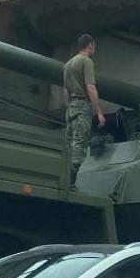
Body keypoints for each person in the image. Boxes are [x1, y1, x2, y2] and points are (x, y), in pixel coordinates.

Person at [62, 34, 105, 186]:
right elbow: (91, 87)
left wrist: (70, 107)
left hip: (71, 108)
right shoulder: (86, 62)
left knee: (68, 145)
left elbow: (65, 92)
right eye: (94, 46)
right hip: (82, 107)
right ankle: (69, 181)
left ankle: (62, 176)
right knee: (80, 146)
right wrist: (99, 111)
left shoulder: (67, 65)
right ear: (90, 45)